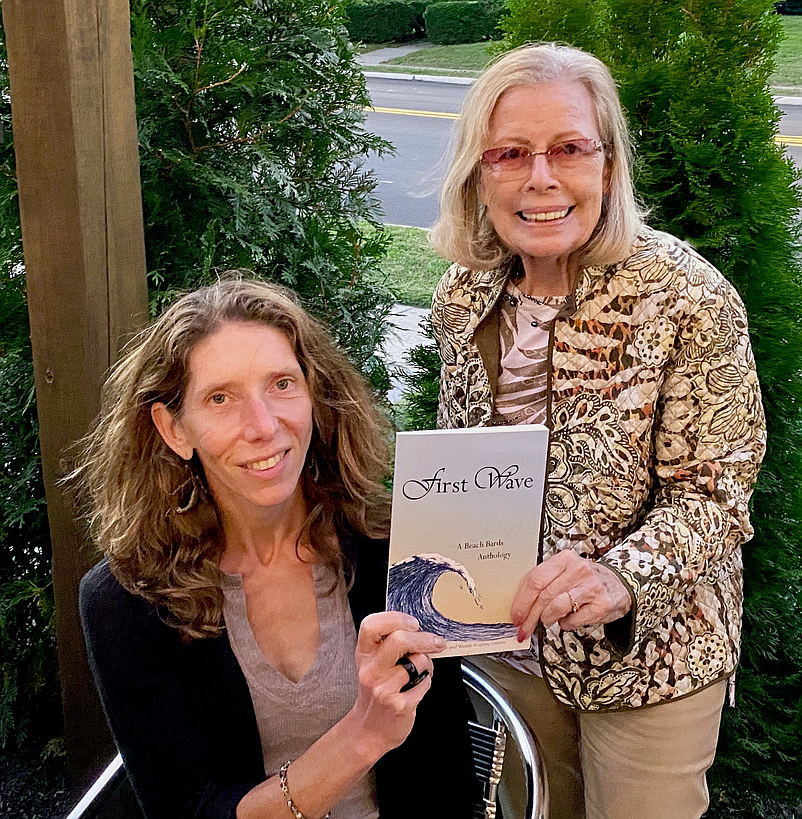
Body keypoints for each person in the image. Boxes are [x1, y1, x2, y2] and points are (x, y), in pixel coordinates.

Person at [429, 42, 766, 819]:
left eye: (569, 148)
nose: (540, 178)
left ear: (607, 164)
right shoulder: (463, 294)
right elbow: (465, 459)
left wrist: (620, 576)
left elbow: (717, 493)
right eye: (510, 153)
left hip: (651, 656)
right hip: (507, 642)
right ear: (479, 173)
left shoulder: (688, 298)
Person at [75, 278, 478, 819]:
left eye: (283, 384)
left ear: (315, 395)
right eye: (220, 398)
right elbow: (190, 811)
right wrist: (362, 735)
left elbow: (447, 781)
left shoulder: (395, 549)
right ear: (174, 429)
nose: (263, 426)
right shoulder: (127, 600)